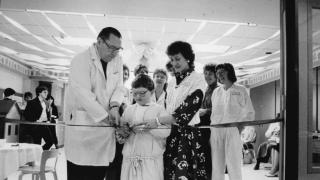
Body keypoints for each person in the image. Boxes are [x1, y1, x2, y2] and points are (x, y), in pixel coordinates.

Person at [64, 27, 125, 180]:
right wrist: (107, 117)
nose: (115, 53)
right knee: (80, 174)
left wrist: (115, 105)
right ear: (99, 41)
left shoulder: (117, 60)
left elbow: (119, 87)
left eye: (118, 49)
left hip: (104, 137)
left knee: (98, 175)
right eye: (112, 48)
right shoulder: (80, 60)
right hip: (83, 134)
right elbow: (84, 96)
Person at [145, 41, 208, 179]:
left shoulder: (198, 80)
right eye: (172, 59)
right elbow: (168, 110)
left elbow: (185, 111)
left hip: (187, 137)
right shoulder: (172, 82)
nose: (174, 63)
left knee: (184, 175)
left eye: (178, 59)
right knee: (168, 173)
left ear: (188, 58)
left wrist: (157, 121)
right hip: (171, 134)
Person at [118, 74, 170, 180]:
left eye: (142, 93)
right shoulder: (129, 109)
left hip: (151, 160)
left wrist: (149, 127)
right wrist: (125, 133)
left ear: (151, 91)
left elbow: (166, 132)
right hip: (130, 158)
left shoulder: (159, 109)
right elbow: (120, 134)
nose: (138, 97)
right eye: (135, 93)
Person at [210, 63, 255, 180]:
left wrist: (241, 127)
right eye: (218, 73)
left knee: (234, 163)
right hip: (216, 130)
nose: (220, 76)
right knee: (217, 164)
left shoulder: (241, 90)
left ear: (230, 72)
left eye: (222, 72)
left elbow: (250, 112)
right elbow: (214, 113)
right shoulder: (216, 92)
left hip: (233, 130)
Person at [197, 63, 218, 178]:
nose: (207, 76)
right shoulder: (206, 89)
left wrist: (206, 111)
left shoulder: (218, 88)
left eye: (210, 74)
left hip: (212, 127)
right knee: (205, 155)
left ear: (216, 75)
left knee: (211, 157)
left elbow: (221, 108)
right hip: (204, 127)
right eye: (205, 73)